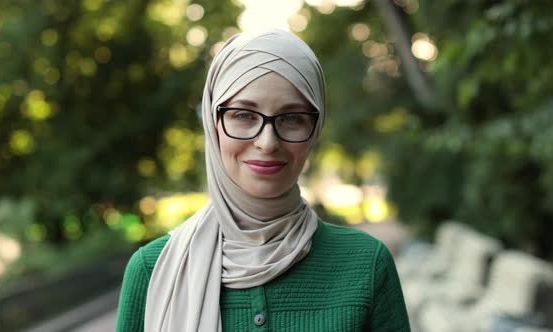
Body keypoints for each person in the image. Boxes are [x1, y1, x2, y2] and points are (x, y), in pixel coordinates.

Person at [116, 29, 410, 332]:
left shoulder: (366, 265)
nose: (267, 143)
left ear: (315, 130)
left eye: (293, 118)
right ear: (213, 123)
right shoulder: (152, 271)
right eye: (244, 115)